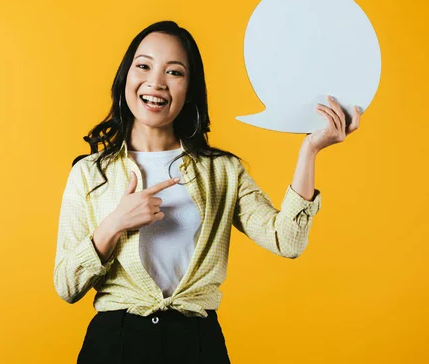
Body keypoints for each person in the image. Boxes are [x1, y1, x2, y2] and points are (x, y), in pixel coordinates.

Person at [53, 20, 361, 364]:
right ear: (126, 76)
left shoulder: (223, 171)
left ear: (190, 88)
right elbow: (66, 286)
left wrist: (309, 152)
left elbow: (287, 241)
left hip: (197, 344)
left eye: (174, 72)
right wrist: (113, 225)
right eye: (143, 66)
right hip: (115, 345)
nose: (155, 82)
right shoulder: (89, 173)